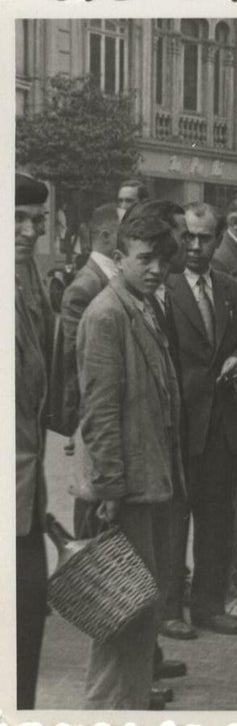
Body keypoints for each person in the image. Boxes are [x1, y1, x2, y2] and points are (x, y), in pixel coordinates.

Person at [77, 215, 183, 710]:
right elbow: (100, 413)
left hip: (149, 485)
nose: (157, 268)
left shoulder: (139, 307)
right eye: (145, 258)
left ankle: (130, 706)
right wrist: (111, 493)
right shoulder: (106, 316)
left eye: (163, 259)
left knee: (138, 611)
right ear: (118, 260)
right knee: (120, 614)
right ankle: (106, 710)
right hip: (126, 495)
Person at [160, 202, 237, 639]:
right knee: (175, 520)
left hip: (220, 427)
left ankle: (209, 605)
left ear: (218, 239)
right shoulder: (165, 288)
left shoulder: (231, 290)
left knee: (216, 520)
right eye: (189, 237)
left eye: (205, 238)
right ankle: (169, 609)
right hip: (180, 425)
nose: (195, 246)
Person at [58, 204, 121, 532]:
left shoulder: (110, 276)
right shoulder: (85, 285)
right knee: (91, 507)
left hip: (106, 412)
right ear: (108, 236)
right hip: (93, 414)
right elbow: (73, 358)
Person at [15, 173, 52, 710]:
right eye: (16, 221)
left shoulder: (28, 280)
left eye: (35, 222)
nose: (28, 232)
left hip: (25, 488)